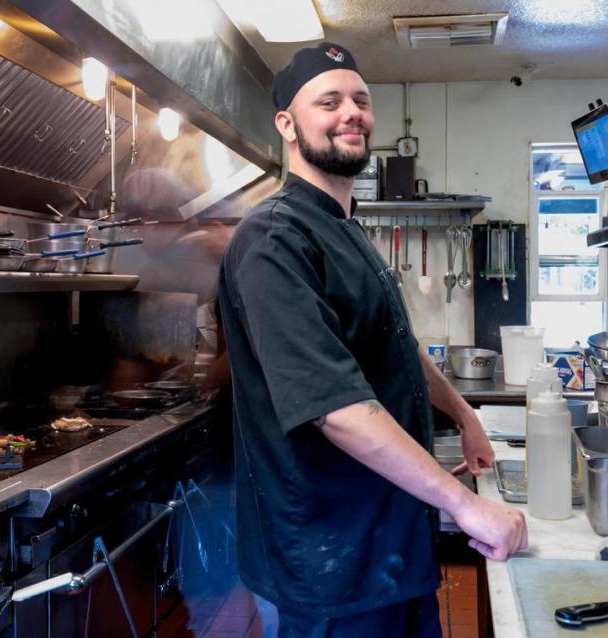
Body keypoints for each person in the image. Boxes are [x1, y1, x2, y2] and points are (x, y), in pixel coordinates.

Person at [218, 42, 528, 637]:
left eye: (360, 100)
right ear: (287, 124)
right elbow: (335, 407)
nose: (350, 113)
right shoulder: (273, 241)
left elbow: (397, 346)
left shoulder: (348, 230)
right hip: (333, 555)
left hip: (389, 544)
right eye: (328, 101)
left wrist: (463, 413)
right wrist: (463, 505)